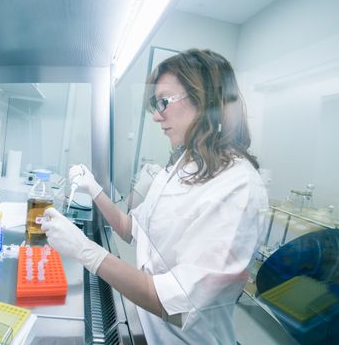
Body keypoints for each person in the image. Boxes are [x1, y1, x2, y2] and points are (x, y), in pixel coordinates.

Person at [41, 48, 269, 344]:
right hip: (146, 326)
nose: (157, 116)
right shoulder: (182, 165)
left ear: (205, 100)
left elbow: (176, 303)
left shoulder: (239, 188)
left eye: (164, 102)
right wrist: (94, 189)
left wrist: (86, 251)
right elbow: (132, 229)